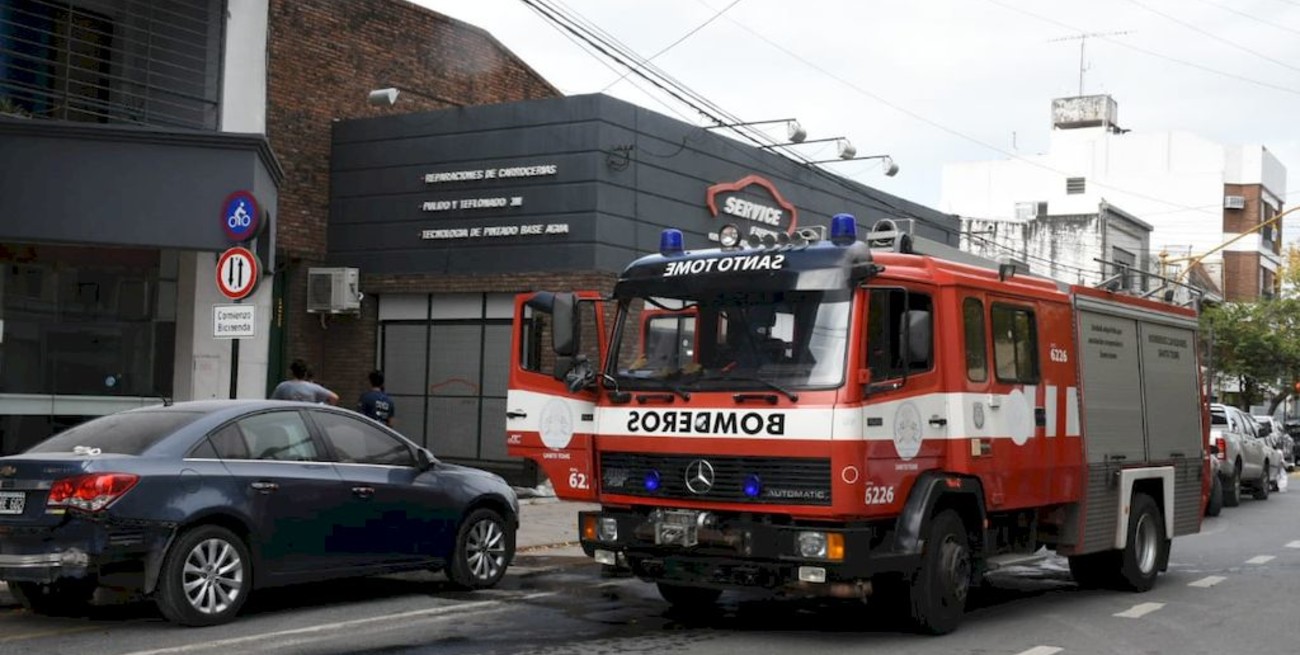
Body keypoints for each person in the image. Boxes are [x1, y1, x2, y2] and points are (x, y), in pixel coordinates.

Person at [270, 358, 339, 405]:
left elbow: (273, 403)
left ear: (291, 372)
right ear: (305, 373)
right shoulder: (313, 388)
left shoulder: (283, 386)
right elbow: (334, 397)